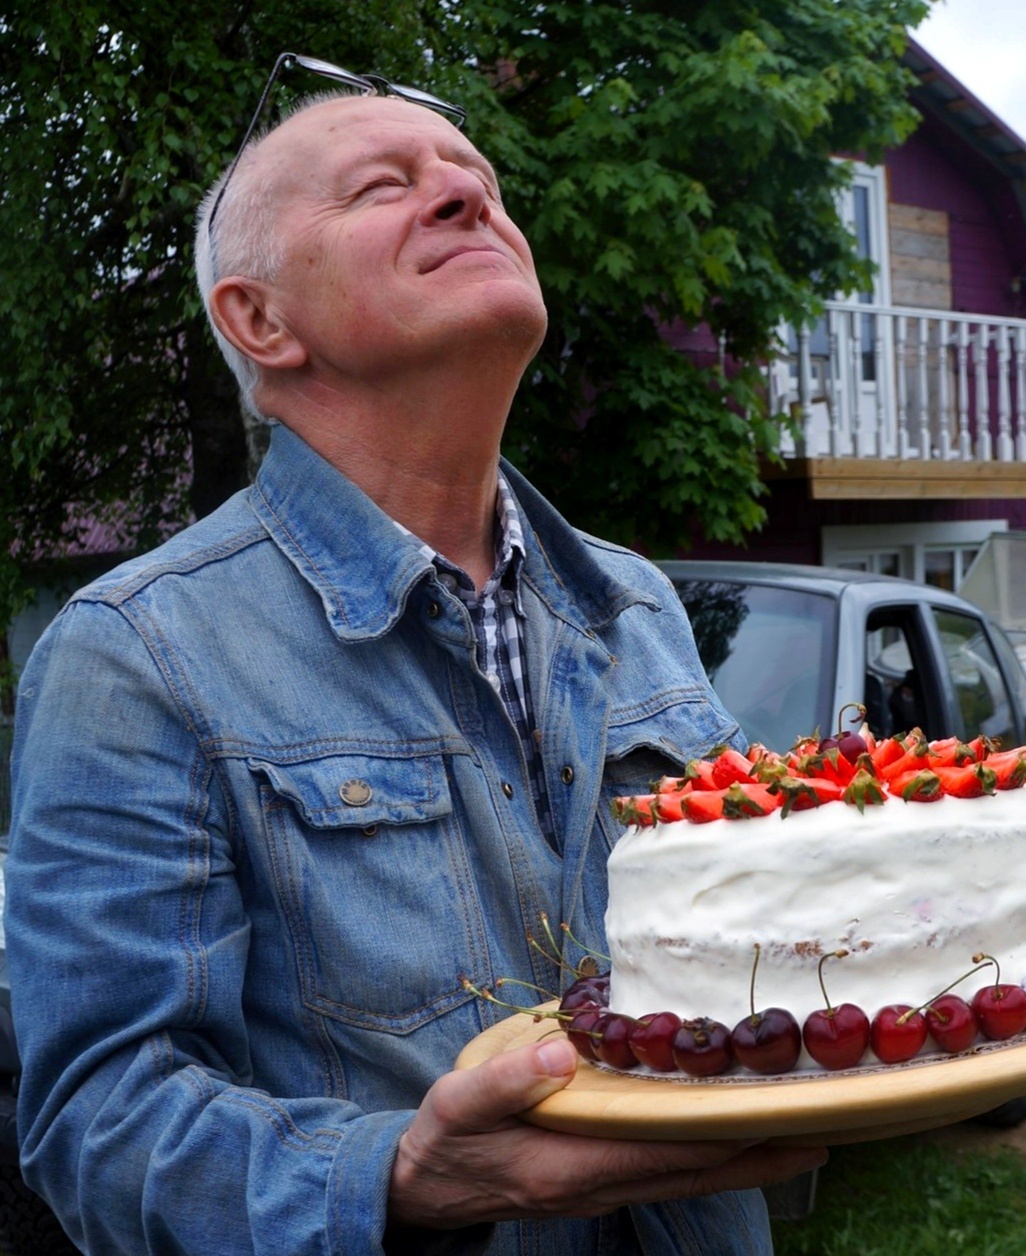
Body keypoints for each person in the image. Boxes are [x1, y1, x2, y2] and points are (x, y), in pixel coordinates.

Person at [6, 55, 825, 1255]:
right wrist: (404, 1177)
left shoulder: (633, 603)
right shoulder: (137, 654)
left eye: (476, 180)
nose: (464, 197)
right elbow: (97, 1123)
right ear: (259, 319)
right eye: (381, 185)